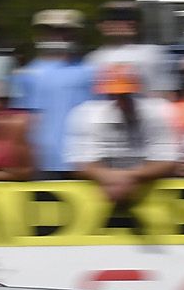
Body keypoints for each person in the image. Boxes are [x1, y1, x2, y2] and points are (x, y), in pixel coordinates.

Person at [64, 66, 178, 205]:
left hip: (149, 195)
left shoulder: (159, 112)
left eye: (126, 94)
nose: (120, 100)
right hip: (103, 195)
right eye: (114, 95)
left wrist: (126, 178)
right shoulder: (86, 114)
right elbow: (82, 164)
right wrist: (112, 178)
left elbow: (167, 161)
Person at [11, 11, 94, 173]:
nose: (57, 35)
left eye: (64, 29)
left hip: (85, 161)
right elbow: (21, 123)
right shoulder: (25, 74)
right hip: (42, 162)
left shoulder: (91, 70)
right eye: (50, 30)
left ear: (76, 33)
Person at [84, 1, 175, 96]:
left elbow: (166, 92)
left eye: (128, 18)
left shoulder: (153, 54)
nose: (122, 24)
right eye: (113, 19)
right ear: (101, 25)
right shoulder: (94, 59)